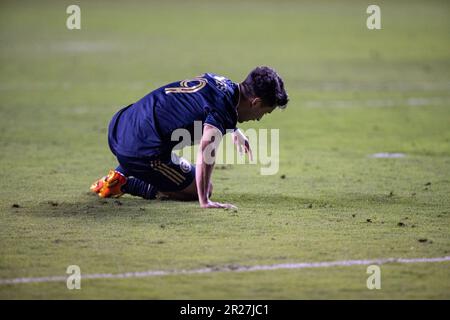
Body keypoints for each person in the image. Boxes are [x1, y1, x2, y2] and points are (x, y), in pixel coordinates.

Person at [90, 66, 288, 209]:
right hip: (137, 150)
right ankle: (128, 184)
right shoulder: (222, 111)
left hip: (120, 125)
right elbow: (206, 149)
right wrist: (204, 200)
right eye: (264, 112)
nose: (259, 119)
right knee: (202, 188)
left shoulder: (221, 82)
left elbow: (203, 105)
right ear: (255, 102)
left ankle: (119, 174)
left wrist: (233, 129)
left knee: (166, 133)